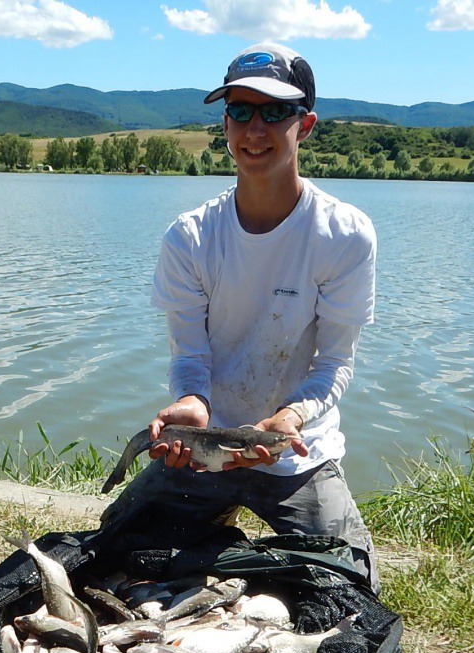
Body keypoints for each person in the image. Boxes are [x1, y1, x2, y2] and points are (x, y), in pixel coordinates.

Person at [101, 41, 379, 591]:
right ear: (224, 124)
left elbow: (335, 362)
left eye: (275, 112)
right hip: (203, 449)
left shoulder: (344, 235)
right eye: (240, 110)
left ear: (306, 125)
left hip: (296, 451)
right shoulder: (189, 237)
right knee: (112, 553)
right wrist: (189, 401)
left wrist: (292, 417)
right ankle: (210, 515)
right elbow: (190, 354)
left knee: (351, 585)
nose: (256, 128)